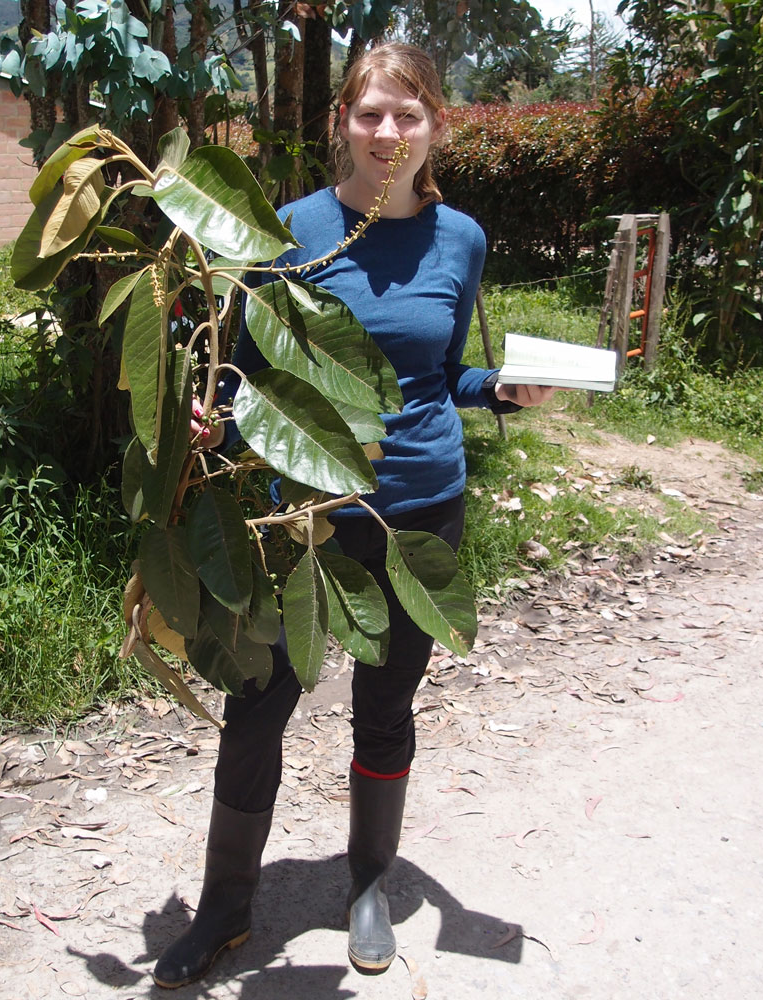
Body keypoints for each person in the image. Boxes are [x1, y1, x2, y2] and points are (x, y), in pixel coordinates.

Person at [154, 41, 558, 990]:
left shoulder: (462, 239)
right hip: (298, 518)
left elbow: (442, 371)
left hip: (420, 513)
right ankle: (224, 909)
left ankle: (369, 884)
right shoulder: (285, 230)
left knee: (386, 710)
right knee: (256, 711)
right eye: (371, 113)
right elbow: (237, 363)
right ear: (342, 121)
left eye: (408, 116)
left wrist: (501, 390)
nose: (388, 132)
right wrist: (207, 409)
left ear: (434, 129)